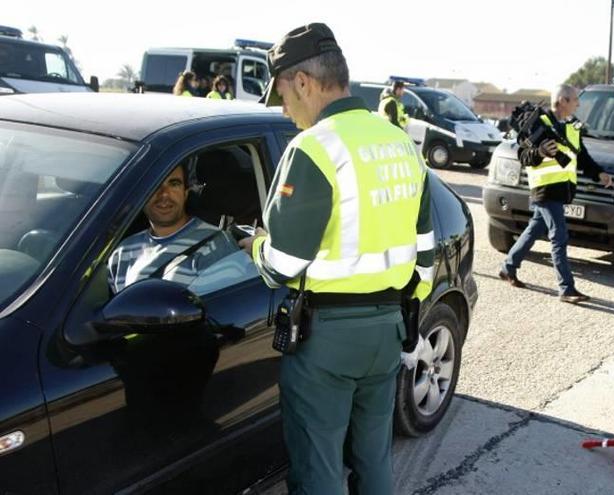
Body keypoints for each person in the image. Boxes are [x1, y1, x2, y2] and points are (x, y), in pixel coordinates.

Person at [239, 23, 433, 494]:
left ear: (303, 82)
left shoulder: (314, 148)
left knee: (318, 466)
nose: (284, 110)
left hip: (325, 340)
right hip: (387, 331)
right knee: (373, 458)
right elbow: (424, 263)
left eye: (282, 95)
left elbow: (284, 264)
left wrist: (254, 247)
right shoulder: (400, 144)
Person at [498, 84, 613, 303]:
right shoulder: (538, 124)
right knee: (559, 236)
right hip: (545, 189)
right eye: (575, 100)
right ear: (562, 101)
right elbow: (523, 156)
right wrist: (540, 151)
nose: (578, 104)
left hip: (562, 189)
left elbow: (582, 156)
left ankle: (508, 268)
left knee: (534, 229)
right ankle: (566, 288)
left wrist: (599, 174)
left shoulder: (571, 126)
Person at [107, 164, 239, 294]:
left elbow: (228, 310)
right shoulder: (122, 253)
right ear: (141, 195)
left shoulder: (215, 245)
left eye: (174, 184)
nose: (164, 194)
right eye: (155, 184)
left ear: (185, 193)